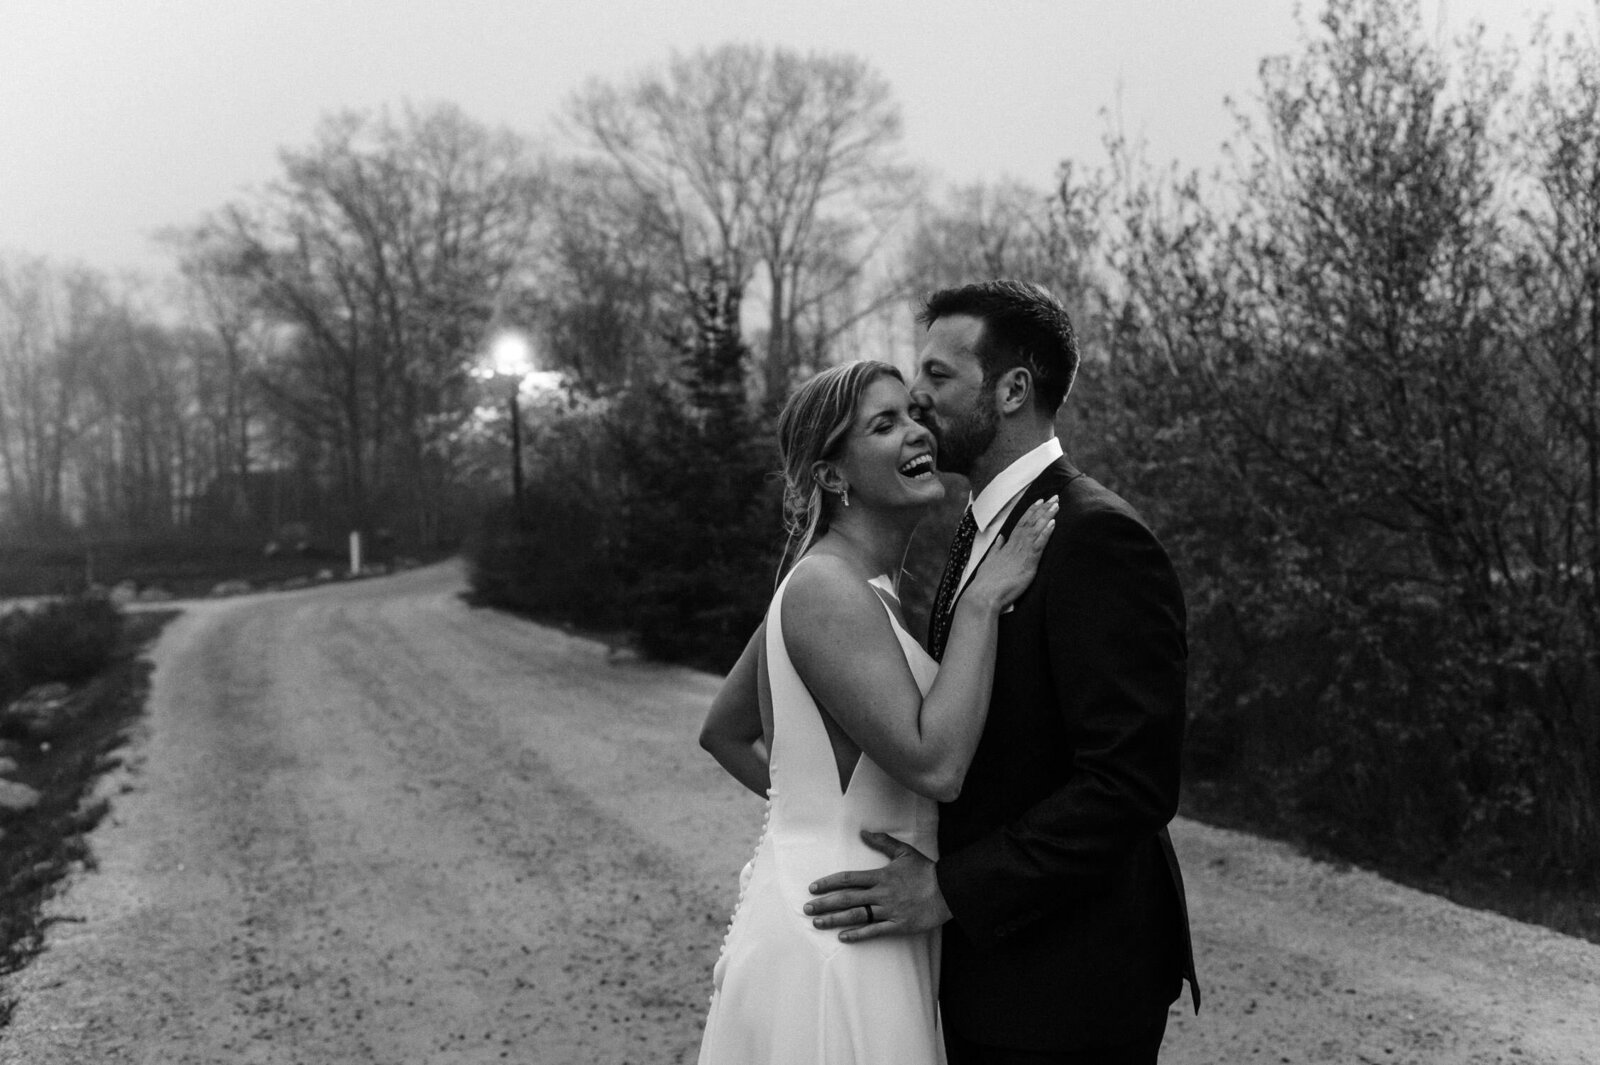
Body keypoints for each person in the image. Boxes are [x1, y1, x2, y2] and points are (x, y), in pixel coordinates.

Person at [804, 280, 1200, 1065]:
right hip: (997, 972)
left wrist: (952, 889)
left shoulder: (1096, 539)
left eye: (939, 376)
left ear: (1013, 389)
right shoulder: (979, 529)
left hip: (1072, 984)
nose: (918, 396)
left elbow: (1131, 782)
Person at [697, 359, 1059, 1065]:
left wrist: (810, 819)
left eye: (913, 415)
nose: (916, 432)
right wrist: (985, 600)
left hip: (874, 911)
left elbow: (723, 727)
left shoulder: (843, 583)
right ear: (834, 476)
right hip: (839, 934)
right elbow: (938, 764)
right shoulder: (827, 588)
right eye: (884, 424)